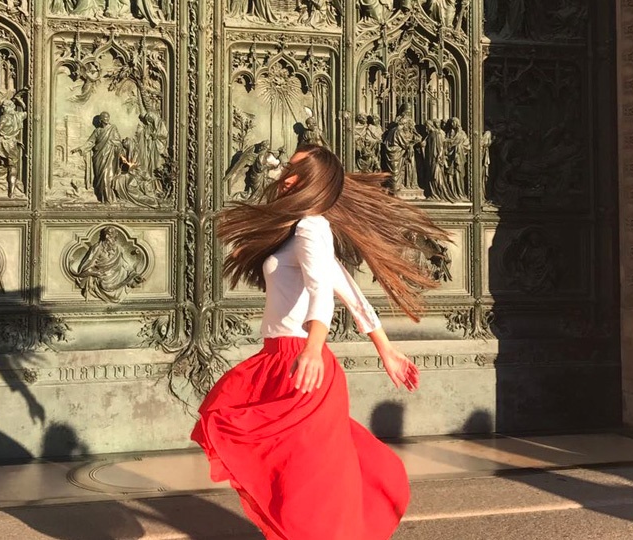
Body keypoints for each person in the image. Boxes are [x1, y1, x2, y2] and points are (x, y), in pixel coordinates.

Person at [192, 143, 450, 539]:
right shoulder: (299, 229)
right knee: (287, 469)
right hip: (277, 359)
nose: (285, 177)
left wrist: (314, 348)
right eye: (287, 169)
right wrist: (385, 347)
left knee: (302, 481)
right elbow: (346, 286)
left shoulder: (313, 226)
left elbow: (322, 292)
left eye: (295, 171)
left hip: (301, 362)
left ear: (315, 178)